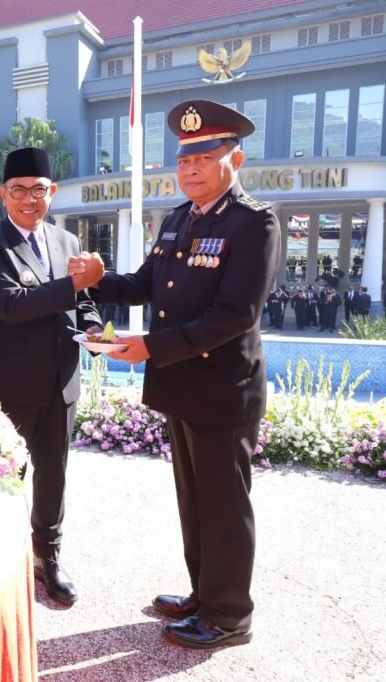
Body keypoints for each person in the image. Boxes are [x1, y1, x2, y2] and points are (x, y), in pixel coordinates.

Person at [72, 100, 279, 648]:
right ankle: (203, 593)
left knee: (225, 505)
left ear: (235, 159)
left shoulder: (254, 223)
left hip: (222, 390)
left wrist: (150, 346)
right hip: (182, 387)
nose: (189, 170)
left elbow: (236, 316)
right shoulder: (178, 219)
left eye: (203, 158)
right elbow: (146, 285)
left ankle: (230, 615)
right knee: (195, 500)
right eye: (184, 161)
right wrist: (98, 280)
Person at [0, 147, 102, 607]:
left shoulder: (66, 241)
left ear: (53, 193)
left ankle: (49, 557)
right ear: (4, 194)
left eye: (38, 190)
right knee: (5, 476)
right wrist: (77, 286)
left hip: (62, 382)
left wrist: (95, 328)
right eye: (19, 190)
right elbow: (12, 305)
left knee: (54, 476)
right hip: (11, 385)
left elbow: (81, 303)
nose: (29, 199)